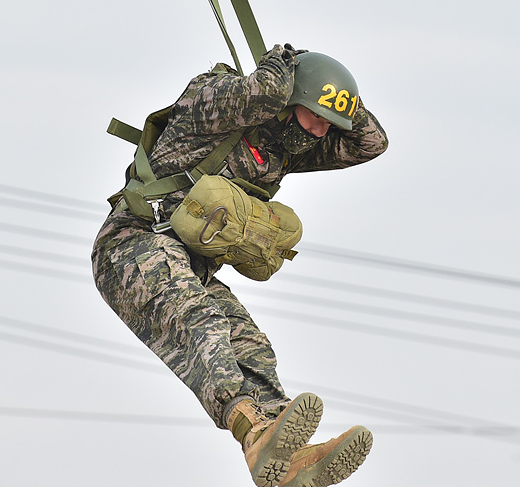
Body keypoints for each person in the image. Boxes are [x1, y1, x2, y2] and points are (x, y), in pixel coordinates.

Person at [91, 44, 389, 487]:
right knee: (202, 321)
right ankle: (246, 419)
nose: (319, 132)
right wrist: (284, 71)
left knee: (249, 344)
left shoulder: (283, 146)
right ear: (290, 102)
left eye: (327, 125)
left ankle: (278, 449)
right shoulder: (213, 101)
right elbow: (260, 95)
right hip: (133, 247)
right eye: (314, 117)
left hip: (190, 267)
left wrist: (337, 98)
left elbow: (372, 143)